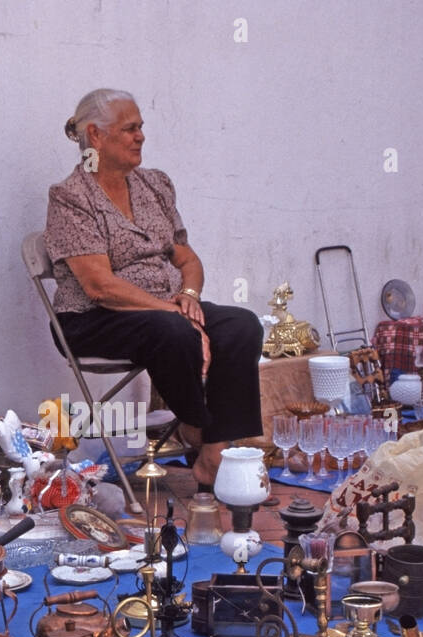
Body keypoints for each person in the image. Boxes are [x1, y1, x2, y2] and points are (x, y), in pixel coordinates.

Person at [43, 88, 264, 489]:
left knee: (240, 325)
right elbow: (99, 286)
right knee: (173, 331)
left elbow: (187, 259)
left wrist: (190, 297)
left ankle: (211, 453)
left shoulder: (155, 186)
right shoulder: (71, 198)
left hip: (165, 312)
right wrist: (170, 310)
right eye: (129, 129)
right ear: (95, 135)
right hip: (93, 319)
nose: (140, 136)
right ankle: (199, 432)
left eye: (141, 127)